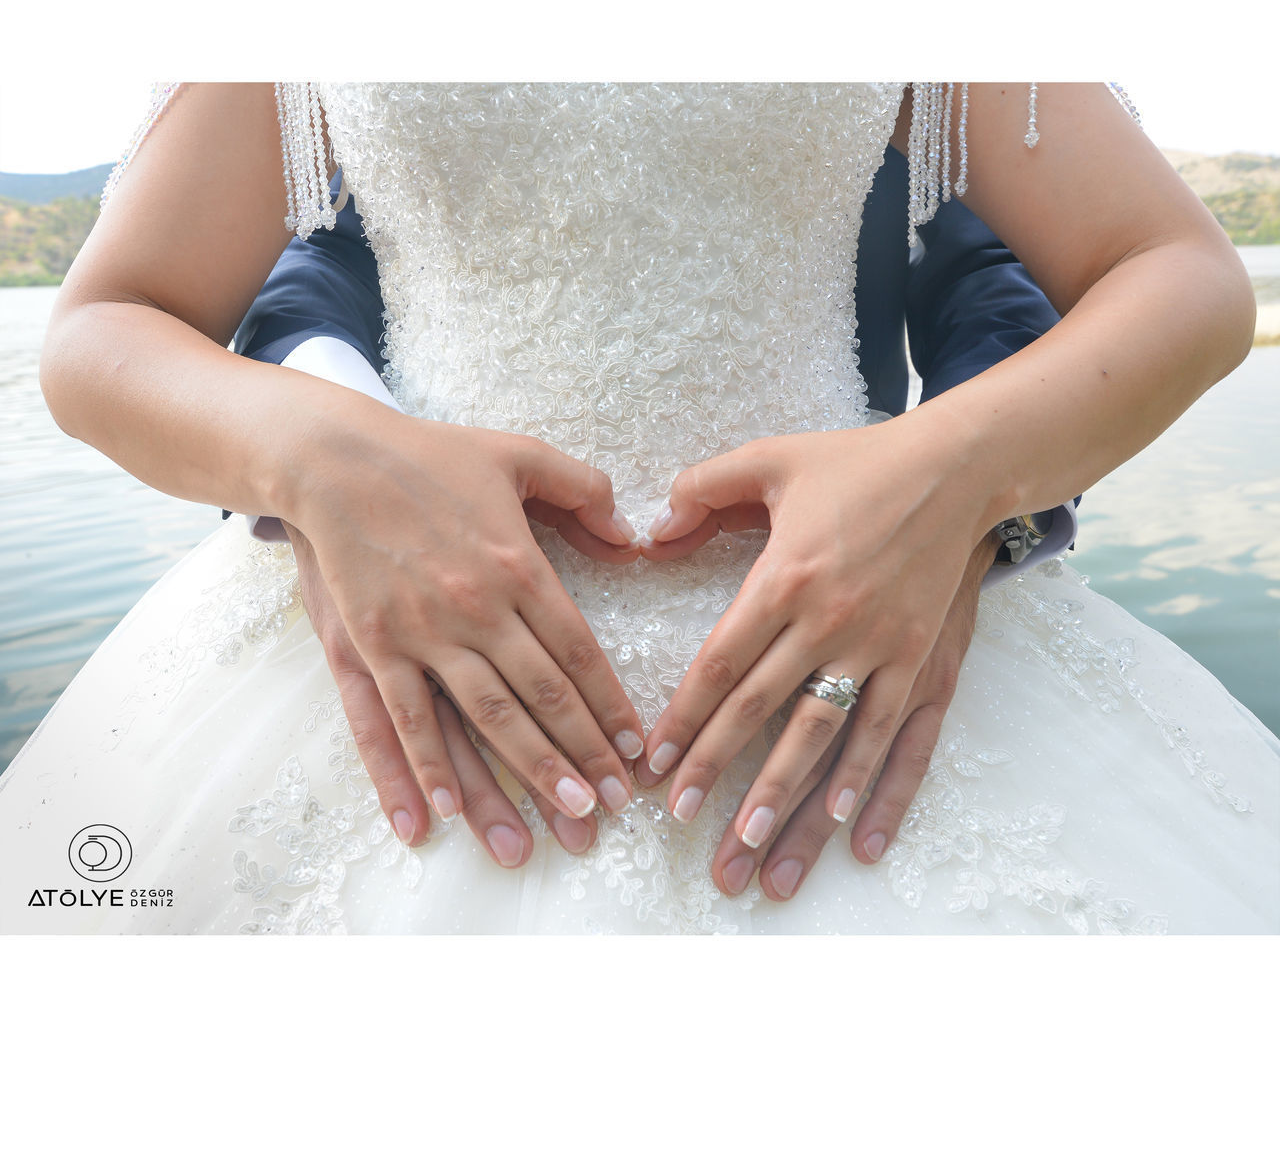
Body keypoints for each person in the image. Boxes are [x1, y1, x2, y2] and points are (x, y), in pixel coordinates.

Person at [2, 81, 1276, 935]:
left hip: (859, 616)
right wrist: (317, 463)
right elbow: (113, 323)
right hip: (407, 637)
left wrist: (955, 483)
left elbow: (1173, 274)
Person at [227, 146, 1074, 891]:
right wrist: (330, 474)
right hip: (423, 606)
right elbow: (305, 273)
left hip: (871, 593)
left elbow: (1001, 276)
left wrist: (965, 496)